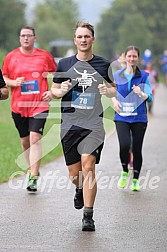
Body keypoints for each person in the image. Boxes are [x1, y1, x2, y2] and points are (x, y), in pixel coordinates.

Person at [51, 21, 116, 231]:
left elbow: (114, 90)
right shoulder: (64, 64)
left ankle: (88, 216)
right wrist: (60, 91)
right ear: (75, 40)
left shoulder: (104, 65)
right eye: (79, 37)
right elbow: (54, 90)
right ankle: (79, 188)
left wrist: (108, 90)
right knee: (74, 174)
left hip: (93, 124)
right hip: (69, 124)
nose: (83, 40)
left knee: (88, 165)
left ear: (93, 39)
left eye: (87, 36)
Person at [2, 26, 57, 192]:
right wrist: (13, 83)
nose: (26, 38)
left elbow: (57, 74)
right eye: (23, 36)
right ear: (19, 38)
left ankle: (33, 176)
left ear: (34, 38)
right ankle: (31, 168)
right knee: (25, 141)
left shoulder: (44, 56)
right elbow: (3, 78)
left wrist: (52, 91)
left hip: (39, 104)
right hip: (18, 105)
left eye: (29, 36)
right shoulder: (11, 57)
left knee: (35, 138)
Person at [112, 45, 153, 191]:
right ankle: (124, 170)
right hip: (122, 117)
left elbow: (150, 98)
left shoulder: (144, 76)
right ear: (125, 57)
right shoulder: (117, 75)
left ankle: (135, 180)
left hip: (139, 118)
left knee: (136, 149)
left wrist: (141, 93)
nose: (132, 59)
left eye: (135, 56)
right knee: (124, 145)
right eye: (129, 56)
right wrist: (114, 101)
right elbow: (112, 92)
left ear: (138, 58)